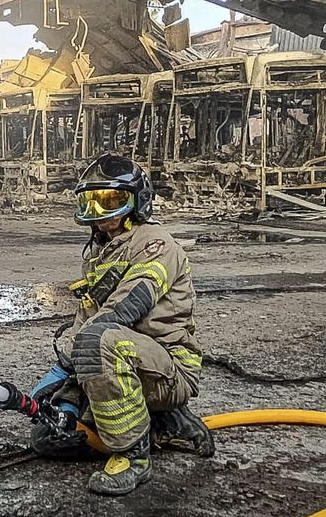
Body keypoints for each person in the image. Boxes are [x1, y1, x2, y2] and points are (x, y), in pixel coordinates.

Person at [29, 154, 214, 495]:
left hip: (168, 367)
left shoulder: (156, 246)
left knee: (98, 341)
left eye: (112, 202)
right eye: (92, 203)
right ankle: (162, 421)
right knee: (48, 438)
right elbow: (87, 321)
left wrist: (67, 363)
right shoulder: (101, 252)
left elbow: (124, 309)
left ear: (137, 202)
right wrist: (64, 396)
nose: (101, 216)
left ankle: (133, 456)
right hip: (119, 359)